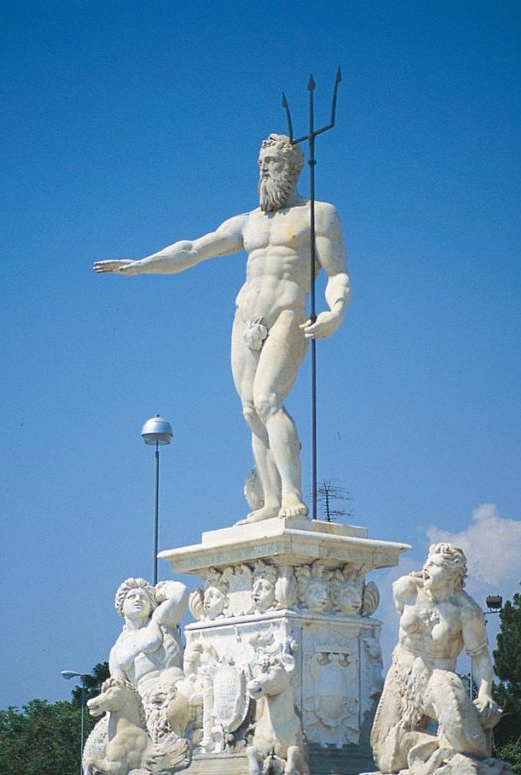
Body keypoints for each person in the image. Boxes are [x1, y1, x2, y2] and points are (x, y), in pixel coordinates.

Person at [94, 134, 350, 523]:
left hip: (286, 314)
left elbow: (338, 272)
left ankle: (292, 496)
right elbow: (194, 250)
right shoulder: (248, 221)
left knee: (267, 400)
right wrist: (141, 265)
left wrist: (336, 312)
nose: (264, 168)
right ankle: (270, 500)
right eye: (261, 161)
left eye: (273, 161)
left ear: (293, 167)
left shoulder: (318, 214)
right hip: (245, 316)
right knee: (250, 411)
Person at [369, 543, 505, 775]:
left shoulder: (467, 611)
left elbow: (480, 656)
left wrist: (485, 694)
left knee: (454, 716)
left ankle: (457, 747)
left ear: (452, 574)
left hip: (436, 681)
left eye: (434, 564)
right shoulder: (407, 589)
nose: (425, 567)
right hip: (401, 677)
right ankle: (443, 750)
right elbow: (401, 607)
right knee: (386, 758)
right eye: (427, 562)